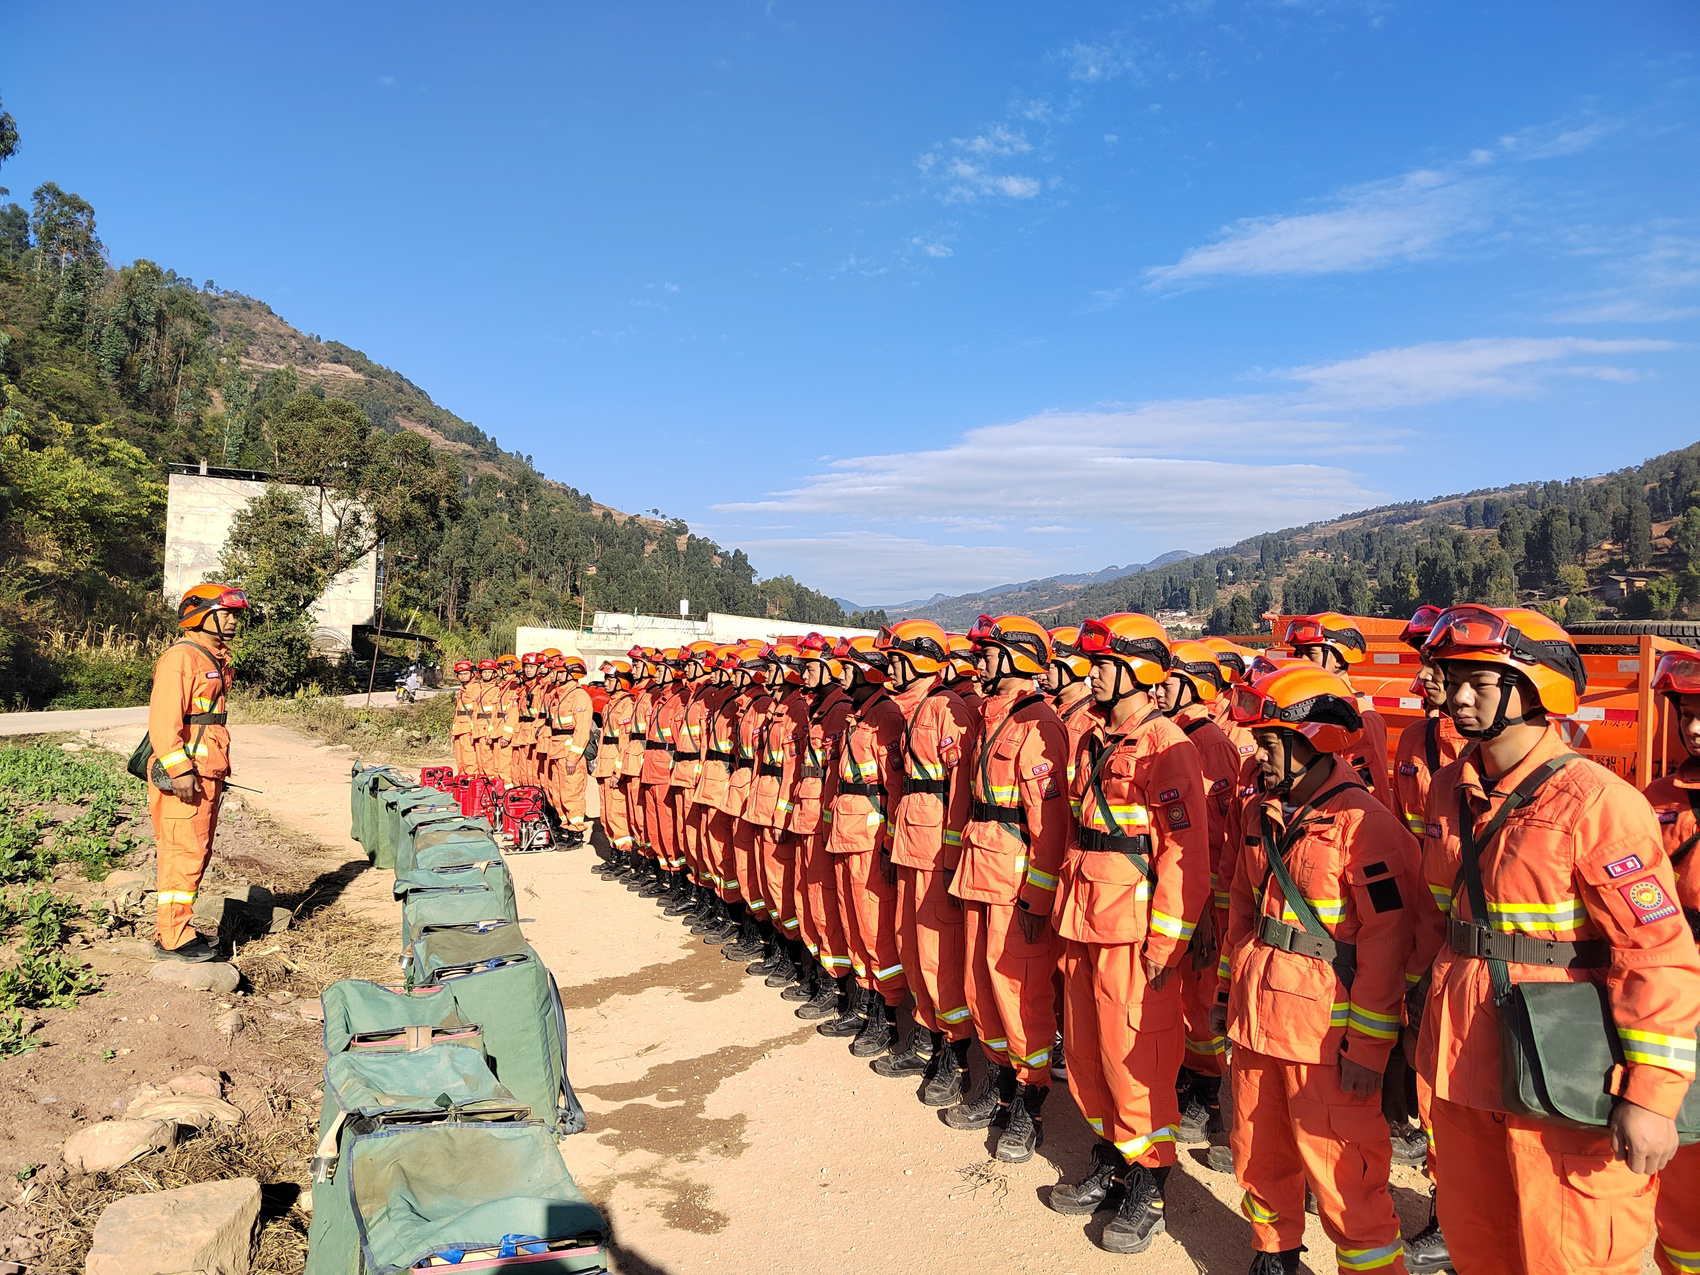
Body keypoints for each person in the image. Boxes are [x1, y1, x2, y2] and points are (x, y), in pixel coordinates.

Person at [1412, 605, 1700, 1275]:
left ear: (1536, 686)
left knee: (1571, 1254)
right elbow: (1439, 921)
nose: (1458, 697)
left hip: (1564, 1071)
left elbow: (1656, 957)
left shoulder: (1599, 803)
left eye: (1480, 681)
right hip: (1462, 1066)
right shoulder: (1449, 790)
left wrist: (1651, 1097)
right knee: (1479, 1245)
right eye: (1453, 678)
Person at [1218, 663, 1420, 1275]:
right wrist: (1226, 991)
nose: (1258, 756)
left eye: (1271, 743)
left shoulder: (1367, 826)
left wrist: (1369, 1050)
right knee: (1257, 1152)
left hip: (1326, 1040)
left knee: (1345, 1176)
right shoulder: (1261, 814)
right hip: (1257, 1021)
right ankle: (1273, 1253)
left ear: (1316, 741)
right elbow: (1242, 908)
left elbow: (1389, 945)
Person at [1047, 613, 1210, 1254]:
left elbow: (1184, 857)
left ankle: (1149, 1181)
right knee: (1089, 1051)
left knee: (1136, 1059)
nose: (1093, 675)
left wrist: (1166, 945)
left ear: (1138, 672)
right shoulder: (1092, 735)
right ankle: (1112, 1157)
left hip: (1132, 931)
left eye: (1105, 665)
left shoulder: (1168, 745)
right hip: (1082, 916)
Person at [946, 615, 1070, 1162]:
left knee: (1020, 997)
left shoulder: (1038, 725)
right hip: (981, 869)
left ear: (1016, 658)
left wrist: (1037, 898)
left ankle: (1029, 1102)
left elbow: (1051, 825)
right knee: (981, 988)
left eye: (989, 653)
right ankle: (998, 1088)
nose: (980, 662)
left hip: (1014, 883)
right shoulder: (992, 716)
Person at [1154, 639, 1250, 1143]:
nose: (1158, 689)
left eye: (1169, 682)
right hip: (1188, 894)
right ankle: (1189, 1080)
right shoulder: (1177, 736)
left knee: (1201, 999)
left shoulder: (1209, 743)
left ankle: (1207, 1095)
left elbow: (1220, 836)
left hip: (1208, 899)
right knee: (1183, 998)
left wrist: (1209, 913)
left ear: (1194, 686)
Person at [879, 620, 980, 1094]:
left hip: (936, 848)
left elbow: (959, 791)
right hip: (912, 843)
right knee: (913, 947)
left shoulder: (948, 709)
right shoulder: (917, 707)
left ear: (918, 661)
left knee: (940, 956)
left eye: (897, 659)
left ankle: (956, 1061)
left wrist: (954, 857)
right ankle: (926, 1037)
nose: (889, 668)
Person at [1639, 647, 1700, 1275]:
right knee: (1683, 1169)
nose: (1695, 727)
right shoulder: (1656, 799)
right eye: (1686, 714)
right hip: (1677, 1001)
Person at [147, 583, 248, 962]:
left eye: (234, 614)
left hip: (206, 772)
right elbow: (164, 721)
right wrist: (179, 770)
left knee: (196, 851)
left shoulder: (210, 656)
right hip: (186, 776)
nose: (233, 620)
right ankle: (173, 937)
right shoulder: (182, 658)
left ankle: (176, 928)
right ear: (199, 616)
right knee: (182, 852)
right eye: (226, 613)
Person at [820, 636, 911, 1056]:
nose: (840, 675)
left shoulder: (885, 715)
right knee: (853, 924)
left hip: (870, 838)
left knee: (875, 931)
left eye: (848, 668)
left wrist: (890, 844)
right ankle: (863, 1004)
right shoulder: (860, 715)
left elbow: (896, 787)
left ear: (867, 672)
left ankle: (886, 1018)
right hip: (848, 830)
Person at [786, 635, 856, 1004]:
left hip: (825, 821)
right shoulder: (818, 709)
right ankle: (818, 972)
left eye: (810, 667)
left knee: (827, 902)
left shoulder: (840, 711)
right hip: (808, 814)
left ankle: (836, 985)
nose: (803, 674)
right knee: (808, 898)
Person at [1283, 614, 1392, 803]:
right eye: (1299, 652)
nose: (1302, 660)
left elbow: (1373, 795)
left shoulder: (1361, 717)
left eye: (1311, 653)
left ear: (1340, 659)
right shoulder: (1308, 707)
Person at [592, 658, 638, 876]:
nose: (605, 683)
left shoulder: (627, 705)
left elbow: (625, 743)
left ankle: (624, 857)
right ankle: (614, 853)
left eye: (610, 679)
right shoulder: (611, 703)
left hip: (613, 768)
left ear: (622, 682)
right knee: (606, 814)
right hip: (604, 765)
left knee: (618, 813)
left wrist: (618, 771)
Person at [449, 659, 477, 774]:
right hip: (459, 729)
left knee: (469, 757)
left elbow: (477, 711)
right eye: (460, 674)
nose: (462, 676)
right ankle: (462, 779)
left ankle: (471, 780)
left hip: (468, 729)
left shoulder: (475, 688)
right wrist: (453, 731)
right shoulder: (462, 690)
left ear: (472, 674)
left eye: (465, 673)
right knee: (460, 758)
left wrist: (474, 730)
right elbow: (458, 712)